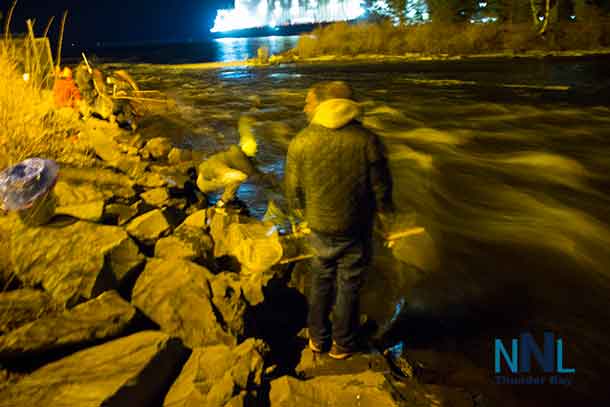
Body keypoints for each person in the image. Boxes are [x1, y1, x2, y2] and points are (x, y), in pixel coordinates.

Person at [284, 81, 393, 359]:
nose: (304, 107)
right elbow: (381, 188)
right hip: (355, 229)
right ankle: (343, 343)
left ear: (323, 106)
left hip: (319, 227)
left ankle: (318, 338)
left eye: (308, 102)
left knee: (320, 281)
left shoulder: (300, 141)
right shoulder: (367, 140)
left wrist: (301, 215)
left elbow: (293, 191)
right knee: (349, 285)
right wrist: (385, 218)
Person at [196, 116, 264, 207]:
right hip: (239, 150)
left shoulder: (215, 175)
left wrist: (223, 200)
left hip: (244, 158)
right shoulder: (206, 165)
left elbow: (239, 177)